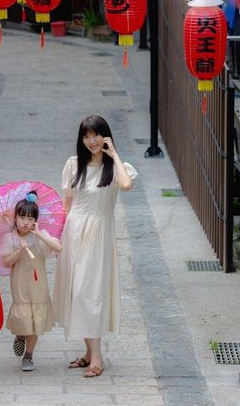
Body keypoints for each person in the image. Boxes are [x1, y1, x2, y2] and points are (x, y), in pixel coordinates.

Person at [52, 115, 138, 378]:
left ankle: (97, 358)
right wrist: (58, 235)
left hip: (99, 234)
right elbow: (67, 203)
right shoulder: (73, 164)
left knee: (89, 293)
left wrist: (113, 153)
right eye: (86, 136)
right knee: (76, 291)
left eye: (96, 135)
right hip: (74, 232)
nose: (91, 141)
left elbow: (126, 185)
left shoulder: (117, 168)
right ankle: (89, 353)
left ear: (105, 136)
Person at [1, 191, 62, 372]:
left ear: (35, 220)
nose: (25, 222)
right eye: (22, 217)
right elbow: (6, 262)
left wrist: (39, 235)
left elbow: (58, 247)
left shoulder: (40, 235)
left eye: (30, 218)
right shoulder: (10, 238)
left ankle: (28, 356)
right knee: (23, 317)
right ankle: (20, 334)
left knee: (35, 321)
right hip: (20, 284)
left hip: (38, 285)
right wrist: (19, 251)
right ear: (16, 218)